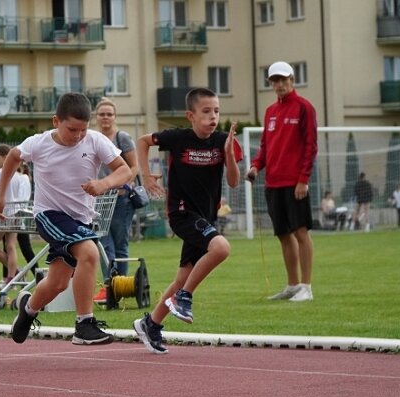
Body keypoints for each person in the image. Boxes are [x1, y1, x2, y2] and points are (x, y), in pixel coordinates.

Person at [0, 92, 132, 346]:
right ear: (56, 121)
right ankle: (84, 324)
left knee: (57, 283)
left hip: (82, 219)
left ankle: (28, 309)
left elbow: (125, 170)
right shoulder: (39, 143)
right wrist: (1, 195)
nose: (78, 136)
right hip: (49, 215)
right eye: (72, 129)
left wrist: (104, 183)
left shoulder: (95, 141)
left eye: (83, 129)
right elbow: (13, 157)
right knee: (89, 252)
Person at [132, 87, 241, 355]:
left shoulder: (222, 141)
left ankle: (151, 323)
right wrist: (145, 176)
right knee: (222, 248)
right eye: (206, 111)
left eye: (216, 111)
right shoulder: (178, 138)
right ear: (190, 115)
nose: (213, 116)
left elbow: (234, 182)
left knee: (183, 276)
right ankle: (184, 298)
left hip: (205, 217)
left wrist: (228, 154)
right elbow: (142, 141)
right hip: (182, 214)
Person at [246, 61, 317, 303]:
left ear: (292, 80)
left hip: (295, 183)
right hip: (273, 183)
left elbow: (310, 146)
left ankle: (306, 286)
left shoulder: (304, 108)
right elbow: (266, 147)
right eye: (274, 80)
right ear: (270, 84)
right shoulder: (270, 112)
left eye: (283, 79)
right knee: (284, 235)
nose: (279, 84)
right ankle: (292, 285)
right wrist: (256, 166)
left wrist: (303, 180)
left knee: (300, 232)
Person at [93, 98, 138, 284]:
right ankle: (109, 284)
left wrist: (122, 184)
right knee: (103, 243)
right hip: (101, 199)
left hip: (121, 199)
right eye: (102, 114)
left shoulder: (122, 138)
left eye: (109, 114)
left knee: (120, 244)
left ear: (115, 117)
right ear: (96, 117)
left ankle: (121, 285)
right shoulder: (94, 138)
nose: (105, 118)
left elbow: (134, 167)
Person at [0, 144, 26, 289]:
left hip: (3, 214)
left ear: (6, 157)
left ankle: (17, 272)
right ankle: (12, 278)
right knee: (10, 246)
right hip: (16, 213)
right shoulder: (17, 175)